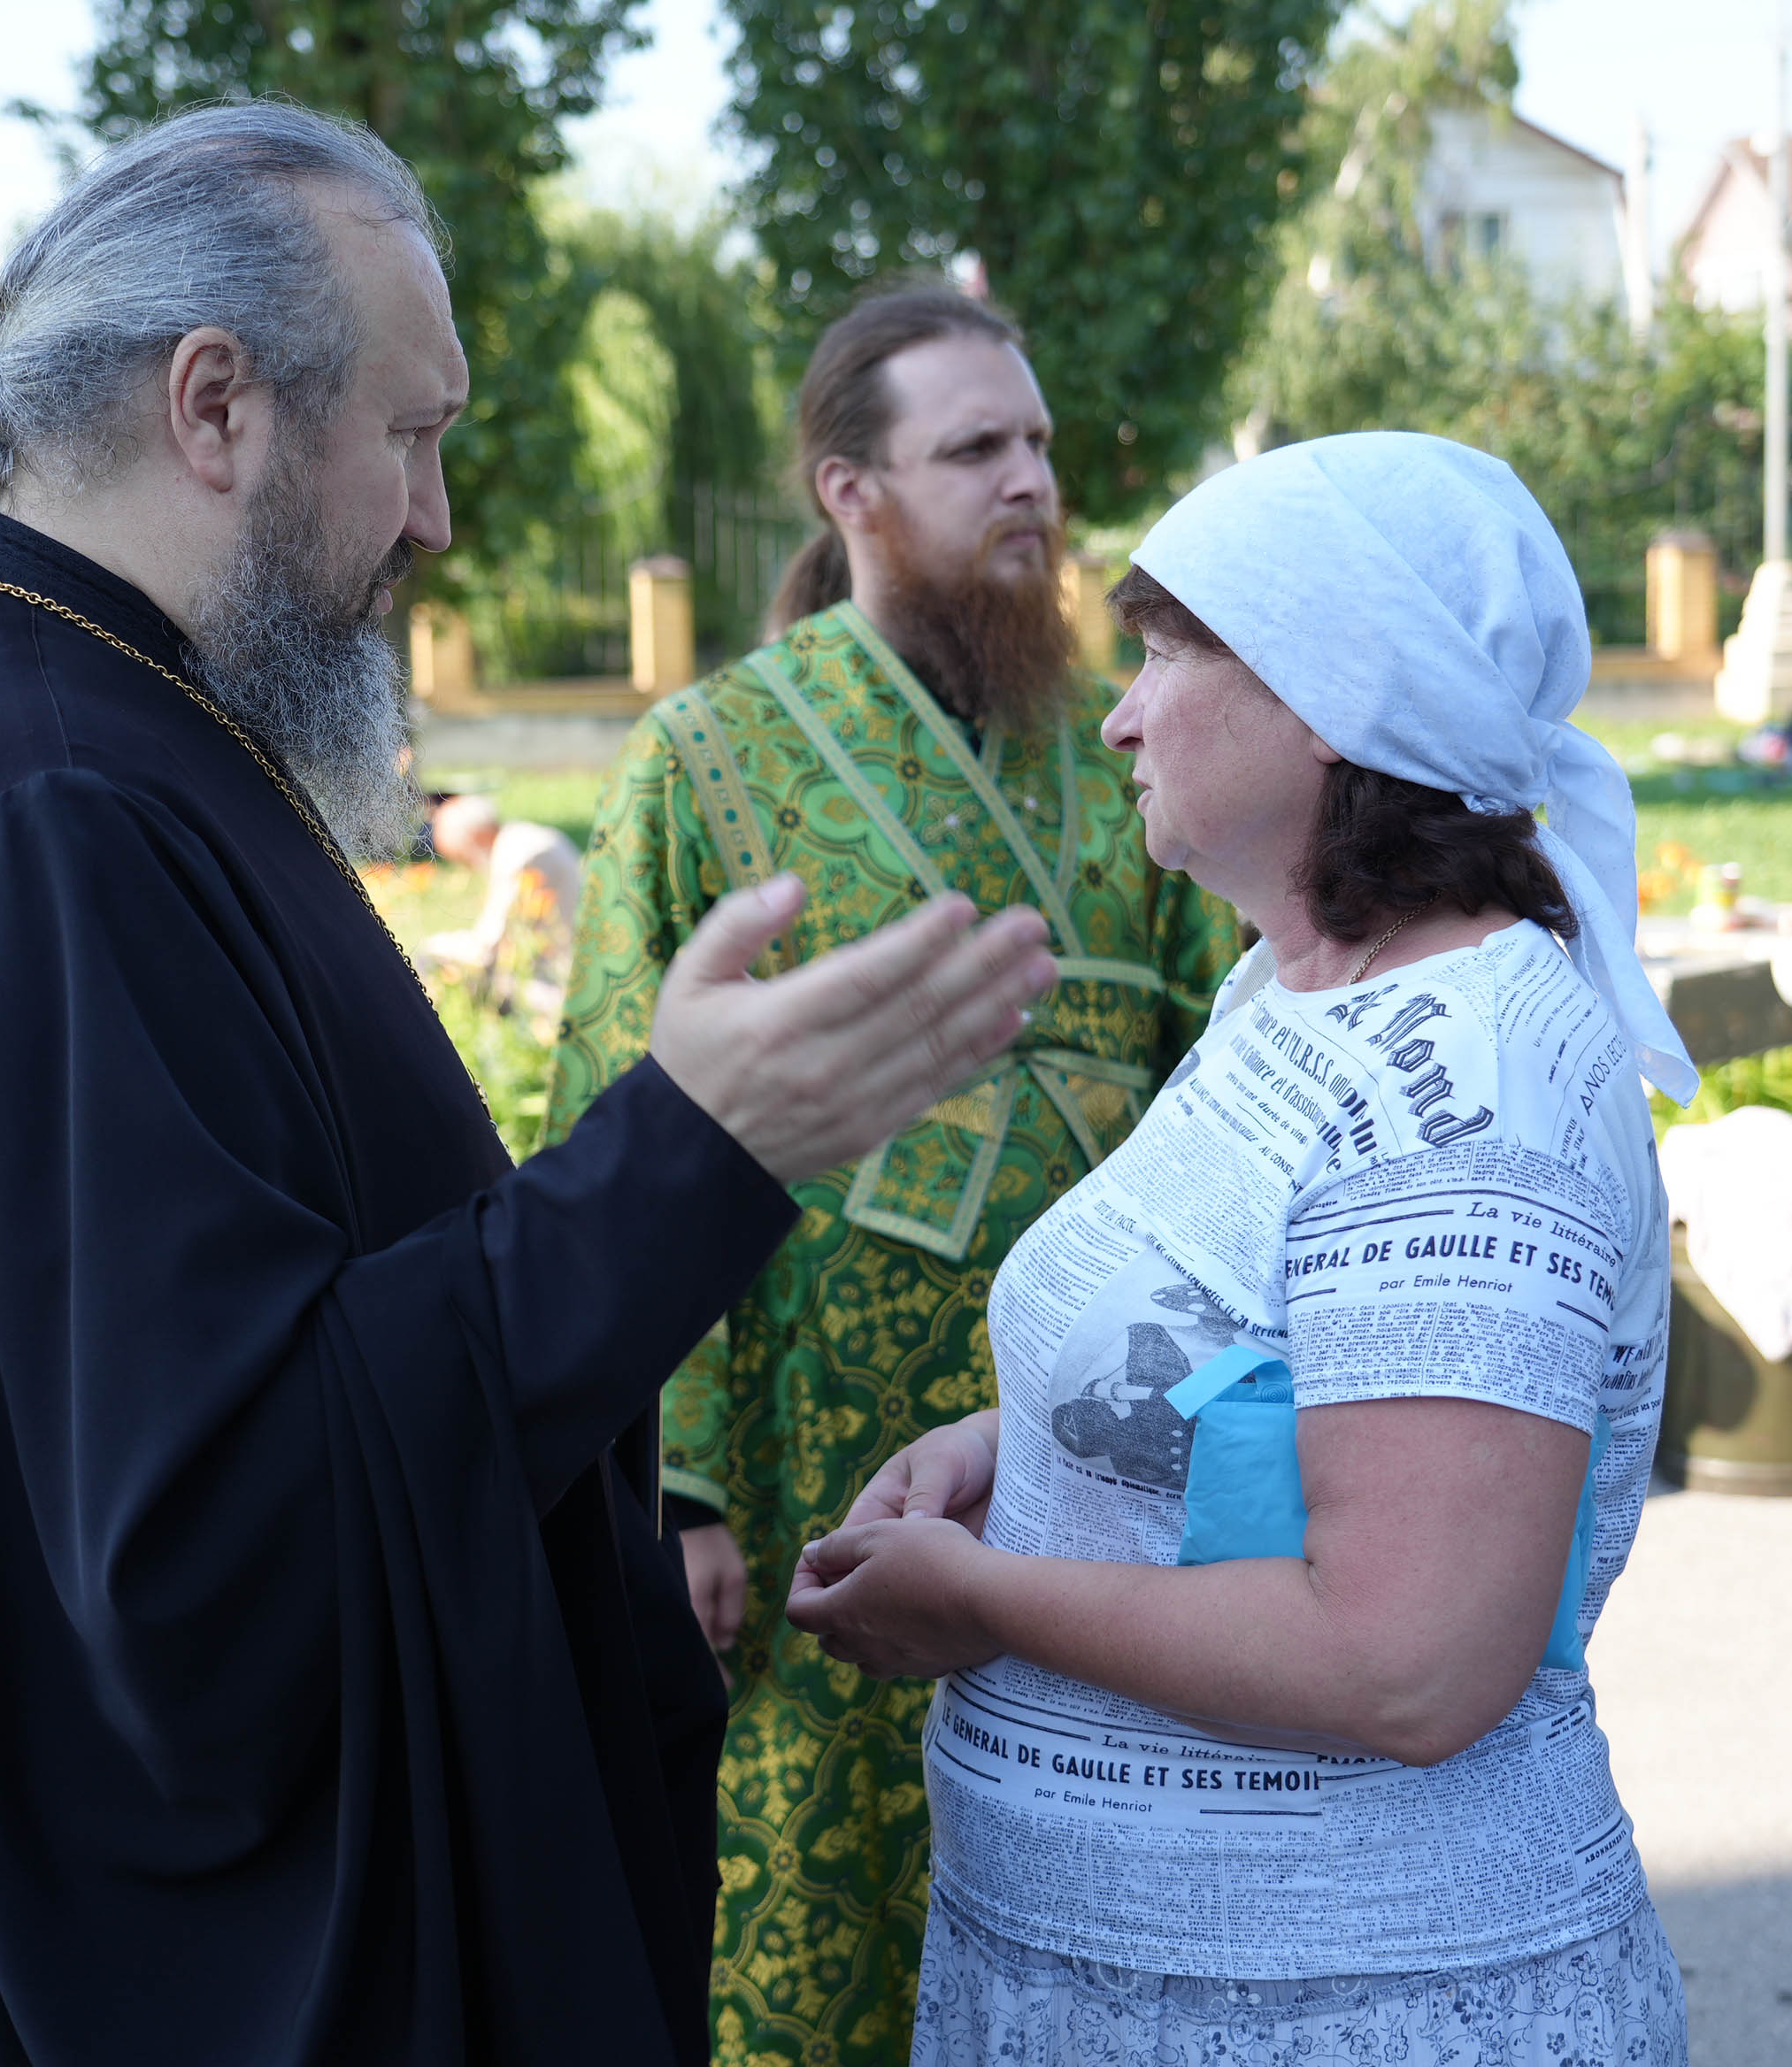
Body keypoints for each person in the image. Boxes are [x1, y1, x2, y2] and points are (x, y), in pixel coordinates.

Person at [0, 103, 1058, 2067]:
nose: (432, 520)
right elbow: (212, 1537)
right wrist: (683, 1163)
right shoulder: (47, 809)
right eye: (412, 435)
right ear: (215, 406)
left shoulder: (1, 695)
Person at [785, 432, 1698, 2063]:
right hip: (1143, 1979)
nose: (1121, 714)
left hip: (1344, 2002)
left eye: (1166, 653)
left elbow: (1406, 1662)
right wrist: (1026, 1441)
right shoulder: (1293, 984)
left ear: (1335, 692)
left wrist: (984, 1595)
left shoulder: (1468, 1084)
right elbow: (1273, 1373)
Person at [546, 285, 1242, 2067]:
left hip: (1097, 1432)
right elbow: (624, 1114)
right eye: (976, 448)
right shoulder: (704, 760)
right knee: (819, 1898)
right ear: (849, 491)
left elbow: (1222, 1078)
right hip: (811, 1449)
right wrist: (676, 1486)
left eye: (1041, 445)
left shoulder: (1129, 742)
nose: (1032, 484)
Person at [418, 791, 581, 1018]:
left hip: (557, 983)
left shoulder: (521, 856)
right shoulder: (522, 839)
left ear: (474, 838)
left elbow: (487, 948)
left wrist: (431, 948)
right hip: (553, 965)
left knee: (432, 959)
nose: (470, 867)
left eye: (464, 858)